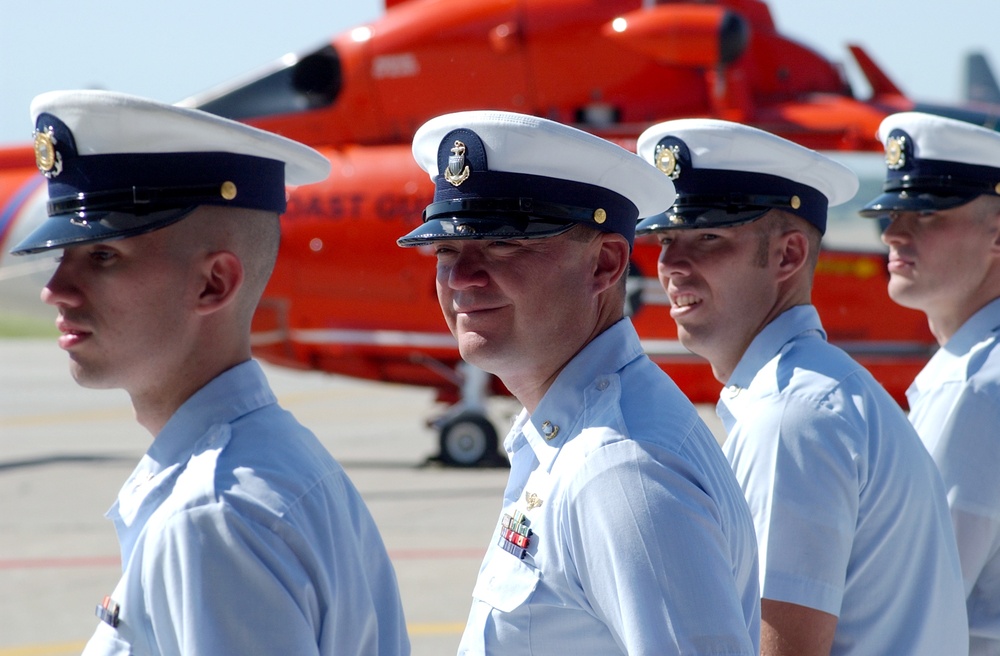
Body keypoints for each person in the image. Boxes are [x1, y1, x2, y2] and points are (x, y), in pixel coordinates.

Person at [10, 90, 410, 655]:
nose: (55, 290)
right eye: (62, 257)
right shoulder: (273, 460)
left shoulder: (211, 513)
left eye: (102, 256)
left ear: (212, 284)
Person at [396, 110, 760, 655]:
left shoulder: (621, 471)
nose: (462, 278)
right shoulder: (568, 438)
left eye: (502, 244)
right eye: (446, 250)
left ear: (606, 264)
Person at [635, 118, 968, 655]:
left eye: (707, 237)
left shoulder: (791, 416)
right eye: (666, 238)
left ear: (788, 256)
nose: (671, 263)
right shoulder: (809, 394)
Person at [859, 111, 1000, 655]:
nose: (894, 231)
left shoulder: (972, 388)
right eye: (893, 212)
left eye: (930, 215)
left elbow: (912, 607)